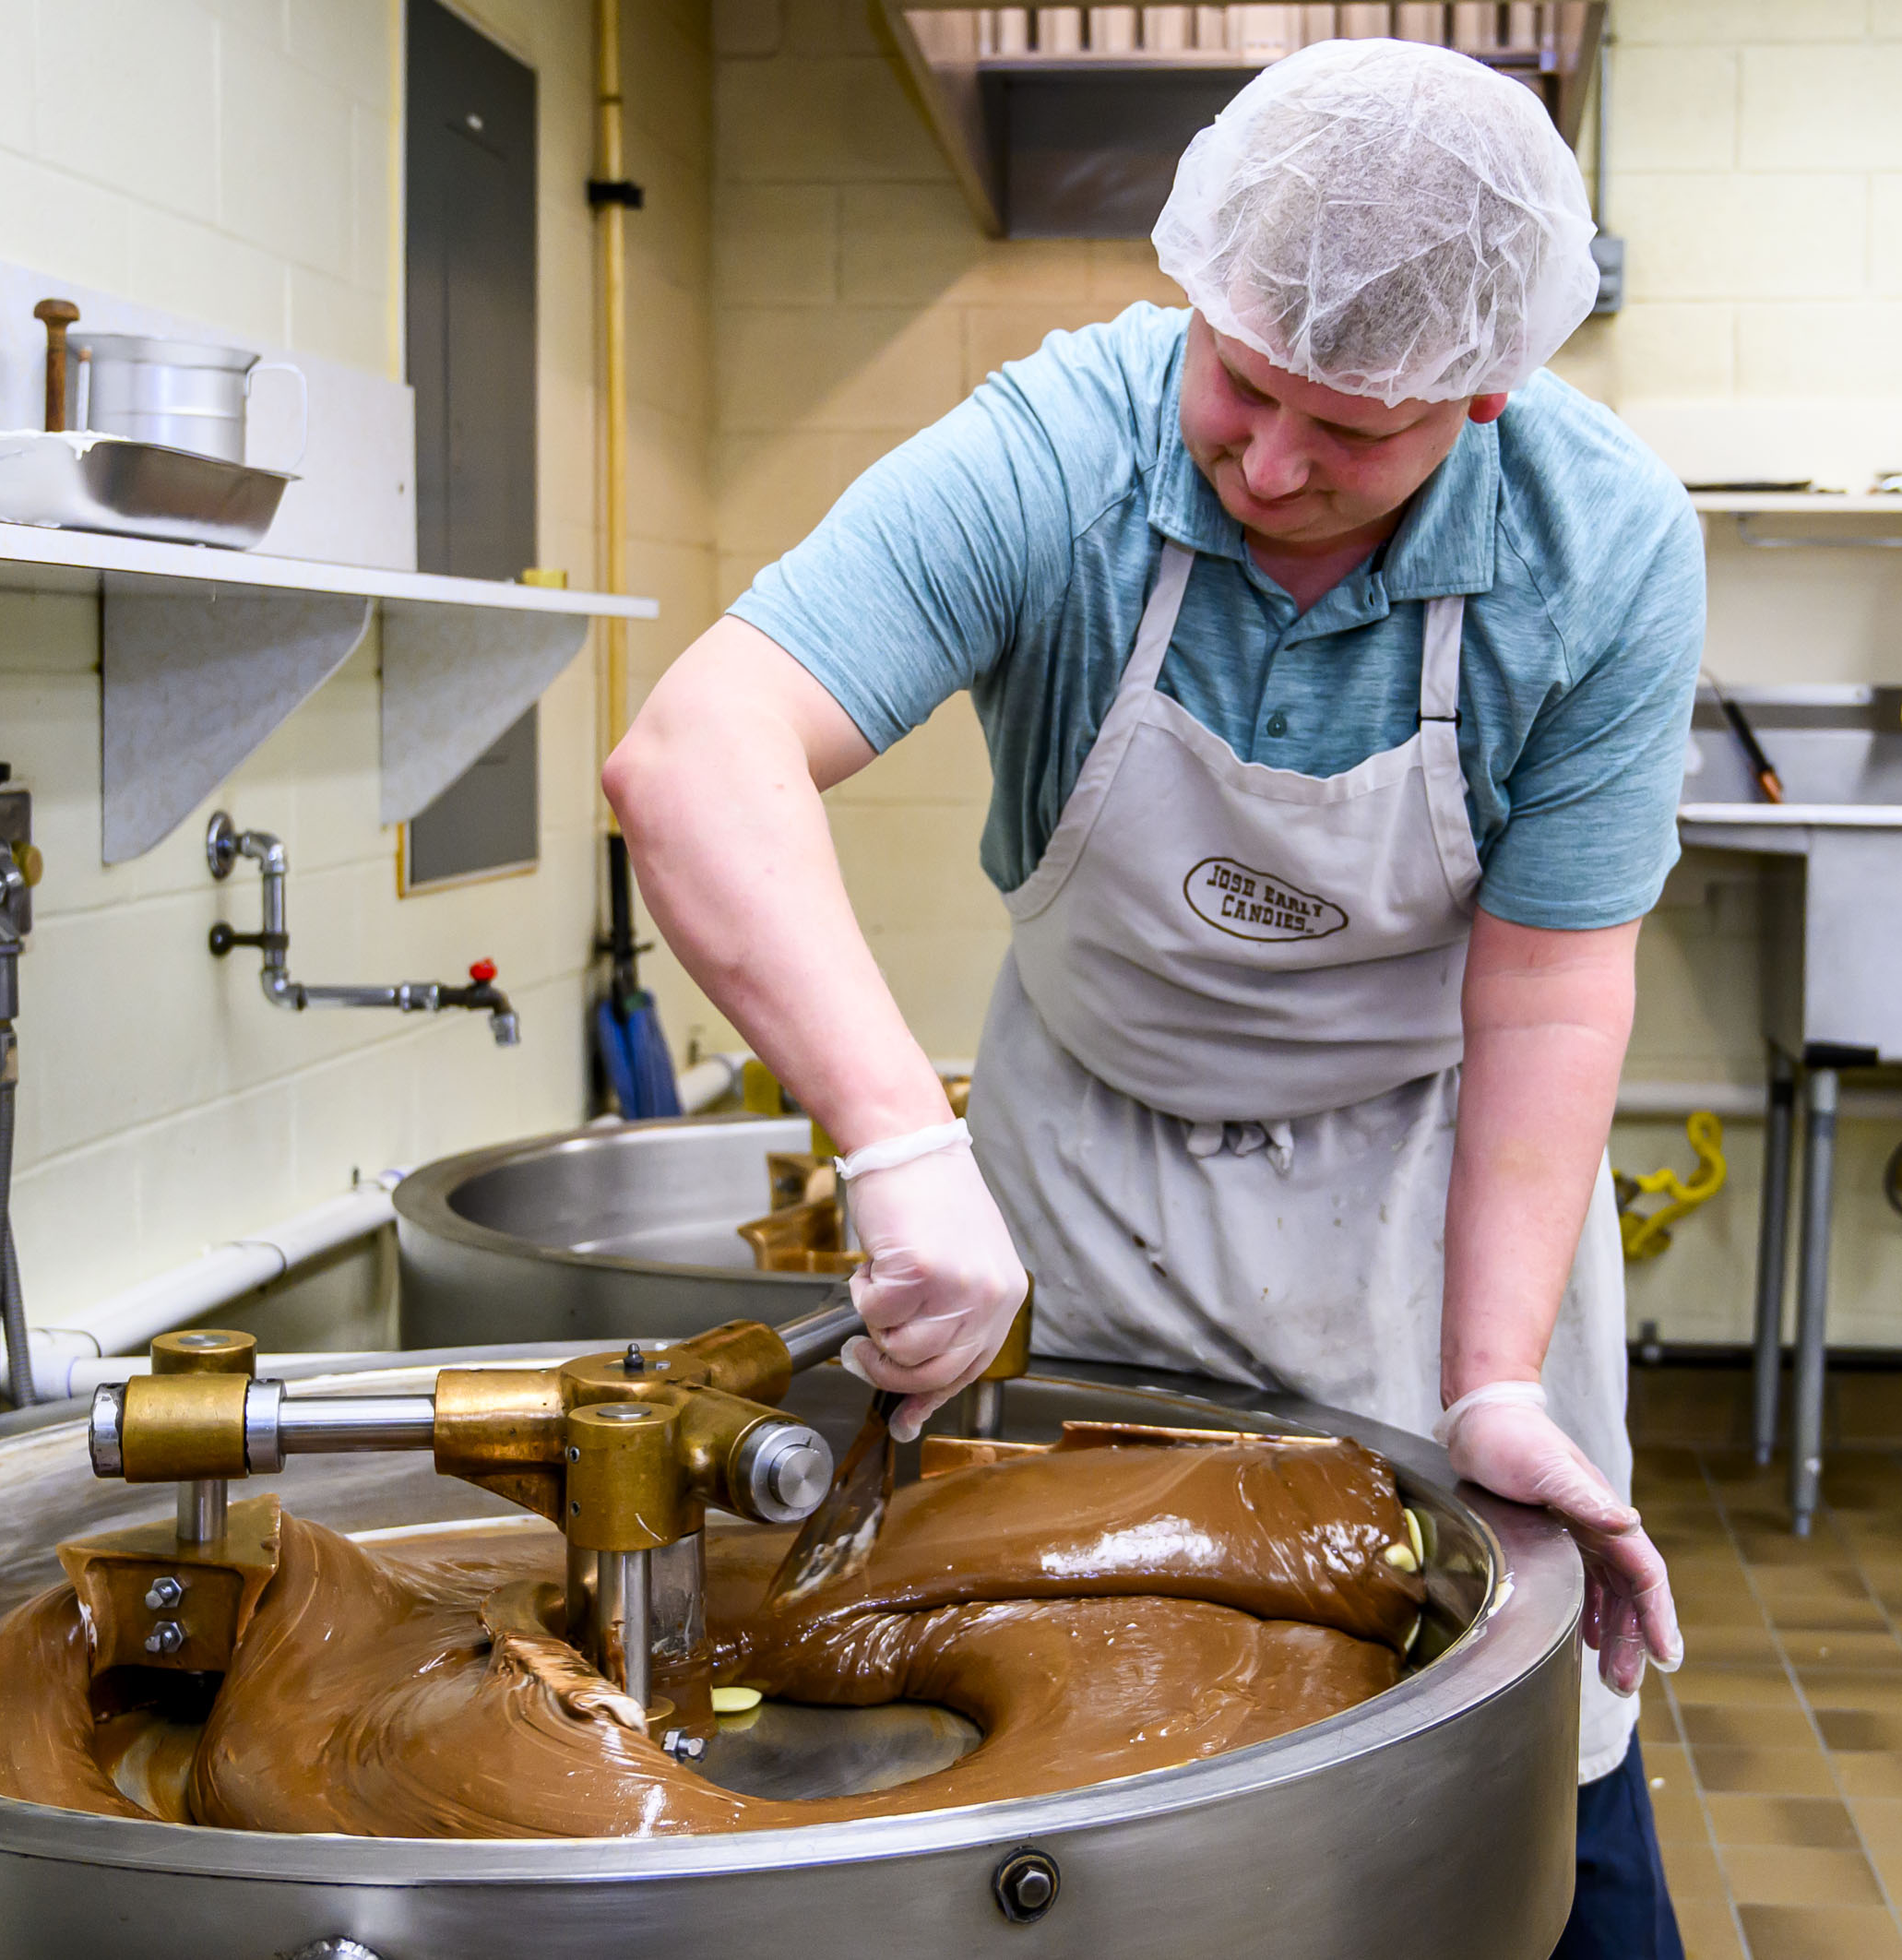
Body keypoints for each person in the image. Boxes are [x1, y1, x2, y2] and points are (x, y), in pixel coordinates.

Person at [605, 38, 1694, 1958]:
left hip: (1425, 1209)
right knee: (1100, 1779)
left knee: (1511, 1782)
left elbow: (1544, 994)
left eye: (1348, 431)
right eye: (1239, 382)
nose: (1267, 465)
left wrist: (1494, 1380)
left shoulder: (1597, 547)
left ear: (1481, 395)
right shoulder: (1067, 447)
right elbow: (695, 755)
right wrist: (901, 1148)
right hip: (1086, 1185)